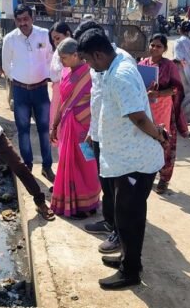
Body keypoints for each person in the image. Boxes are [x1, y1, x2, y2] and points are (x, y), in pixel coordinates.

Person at [77, 28, 167, 290]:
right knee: (123, 213)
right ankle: (128, 259)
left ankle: (131, 271)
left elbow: (138, 117)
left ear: (98, 54)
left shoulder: (121, 74)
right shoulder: (112, 66)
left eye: (89, 60)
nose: (89, 66)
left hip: (135, 161)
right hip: (122, 156)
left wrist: (159, 137)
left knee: (129, 216)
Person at [72, 20, 137, 254]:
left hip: (117, 139)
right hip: (100, 133)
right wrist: (92, 131)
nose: (85, 61)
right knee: (106, 185)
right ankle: (110, 222)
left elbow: (131, 109)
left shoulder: (121, 64)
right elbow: (97, 99)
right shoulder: (97, 63)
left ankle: (120, 234)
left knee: (119, 191)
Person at [1, 4, 55, 182]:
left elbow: (50, 57)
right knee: (23, 130)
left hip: (40, 90)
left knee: (44, 130)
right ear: (15, 20)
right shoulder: (10, 39)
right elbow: (5, 64)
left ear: (32, 18)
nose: (23, 23)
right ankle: (28, 165)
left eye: (26, 19)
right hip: (20, 91)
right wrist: (17, 78)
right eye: (19, 20)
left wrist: (46, 76)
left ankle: (47, 167)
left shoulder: (43, 34)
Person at [48, 38, 101, 219]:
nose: (62, 62)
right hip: (67, 126)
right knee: (69, 163)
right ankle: (74, 205)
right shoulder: (65, 73)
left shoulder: (91, 74)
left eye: (64, 58)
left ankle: (90, 203)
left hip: (85, 128)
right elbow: (63, 102)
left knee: (88, 164)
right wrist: (54, 125)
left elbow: (97, 103)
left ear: (76, 55)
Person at [139, 34, 188, 194]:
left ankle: (164, 179)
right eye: (152, 45)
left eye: (158, 46)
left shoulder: (169, 66)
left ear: (165, 49)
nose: (154, 48)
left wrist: (158, 94)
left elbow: (176, 89)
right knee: (147, 142)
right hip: (147, 110)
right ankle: (148, 174)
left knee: (164, 143)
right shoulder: (143, 64)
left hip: (164, 109)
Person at [173, 21, 190, 138]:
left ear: (180, 30)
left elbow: (176, 59)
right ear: (189, 30)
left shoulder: (178, 42)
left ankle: (181, 125)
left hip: (182, 73)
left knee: (181, 98)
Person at [48, 22, 73, 137]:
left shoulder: (75, 53)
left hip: (70, 96)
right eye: (54, 40)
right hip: (58, 95)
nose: (56, 42)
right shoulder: (57, 54)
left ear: (67, 34)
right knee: (58, 132)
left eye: (58, 38)